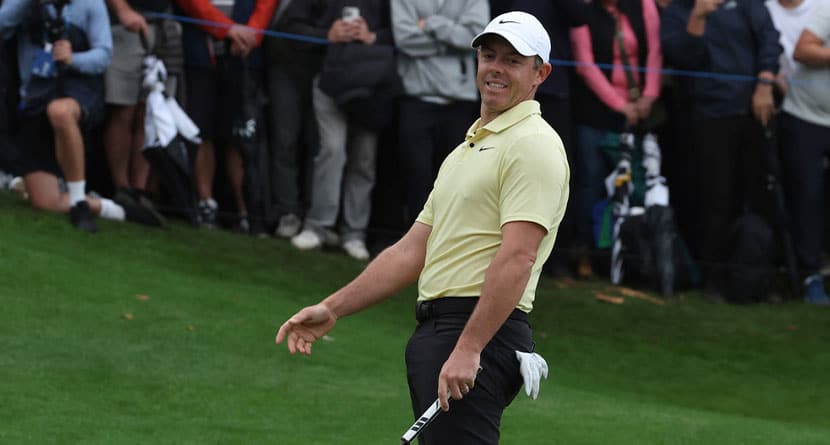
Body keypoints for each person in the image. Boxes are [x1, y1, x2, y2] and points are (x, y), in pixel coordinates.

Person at [276, 11, 568, 443]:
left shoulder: (533, 144)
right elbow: (412, 249)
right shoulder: (468, 149)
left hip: (477, 332)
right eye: (489, 56)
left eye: (513, 60)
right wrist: (334, 307)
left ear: (539, 73)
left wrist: (469, 348)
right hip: (442, 331)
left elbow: (519, 256)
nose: (496, 68)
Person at [0, 0, 163, 232]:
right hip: (36, 99)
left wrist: (73, 58)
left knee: (60, 111)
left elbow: (103, 55)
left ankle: (79, 202)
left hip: (78, 93)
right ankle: (111, 208)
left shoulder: (90, 3)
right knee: (45, 203)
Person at [661, 0, 781, 300]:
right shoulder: (678, 12)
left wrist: (765, 84)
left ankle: (758, 277)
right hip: (708, 116)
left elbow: (769, 39)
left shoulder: (746, 4)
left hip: (755, 110)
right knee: (716, 199)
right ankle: (714, 279)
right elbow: (684, 60)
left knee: (760, 196)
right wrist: (698, 18)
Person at [288, 0, 396, 261]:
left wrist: (372, 36)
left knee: (364, 159)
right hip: (329, 80)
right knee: (332, 150)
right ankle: (317, 226)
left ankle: (354, 233)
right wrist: (326, 35)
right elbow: (292, 27)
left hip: (373, 83)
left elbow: (405, 30)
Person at [175, 0, 278, 232]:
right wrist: (227, 29)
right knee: (201, 128)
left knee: (241, 132)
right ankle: (206, 203)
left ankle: (246, 210)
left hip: (245, 53)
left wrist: (250, 35)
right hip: (202, 51)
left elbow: (266, 4)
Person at [390, 0, 489, 221]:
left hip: (459, 103)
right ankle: (416, 249)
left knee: (455, 182)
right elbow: (405, 39)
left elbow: (476, 39)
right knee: (416, 178)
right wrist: (452, 42)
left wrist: (431, 24)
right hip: (415, 99)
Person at [102, 0, 183, 202]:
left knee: (148, 112)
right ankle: (121, 187)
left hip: (164, 25)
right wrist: (122, 9)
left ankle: (140, 190)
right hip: (124, 26)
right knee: (123, 110)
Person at [777, 0, 830, 303]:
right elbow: (803, 50)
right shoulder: (827, 10)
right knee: (807, 197)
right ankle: (809, 275)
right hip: (806, 117)